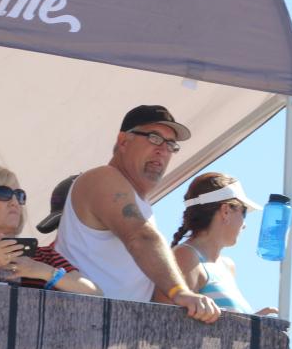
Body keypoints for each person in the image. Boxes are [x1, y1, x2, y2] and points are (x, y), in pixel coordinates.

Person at [54, 104, 221, 322]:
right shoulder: (103, 178)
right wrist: (180, 292)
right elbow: (140, 237)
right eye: (154, 138)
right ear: (123, 141)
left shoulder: (142, 204)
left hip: (111, 329)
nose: (163, 150)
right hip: (78, 323)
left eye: (170, 144)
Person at [0, 165, 100, 294]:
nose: (15, 202)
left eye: (19, 195)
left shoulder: (45, 257)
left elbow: (94, 293)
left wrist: (42, 271)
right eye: (4, 193)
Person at [170, 173, 277, 316]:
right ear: (226, 211)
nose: (244, 225)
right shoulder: (185, 256)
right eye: (244, 213)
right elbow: (168, 324)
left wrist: (254, 323)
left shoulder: (228, 266)